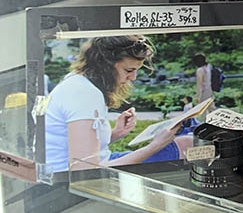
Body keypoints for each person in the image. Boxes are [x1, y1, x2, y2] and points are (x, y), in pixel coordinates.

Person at [43, 36, 189, 172]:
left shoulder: (78, 81)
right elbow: (85, 171)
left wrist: (116, 133)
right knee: (186, 146)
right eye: (129, 70)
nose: (133, 77)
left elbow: (76, 148)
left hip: (94, 165)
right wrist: (155, 146)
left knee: (186, 143)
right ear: (105, 66)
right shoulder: (84, 94)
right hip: (69, 179)